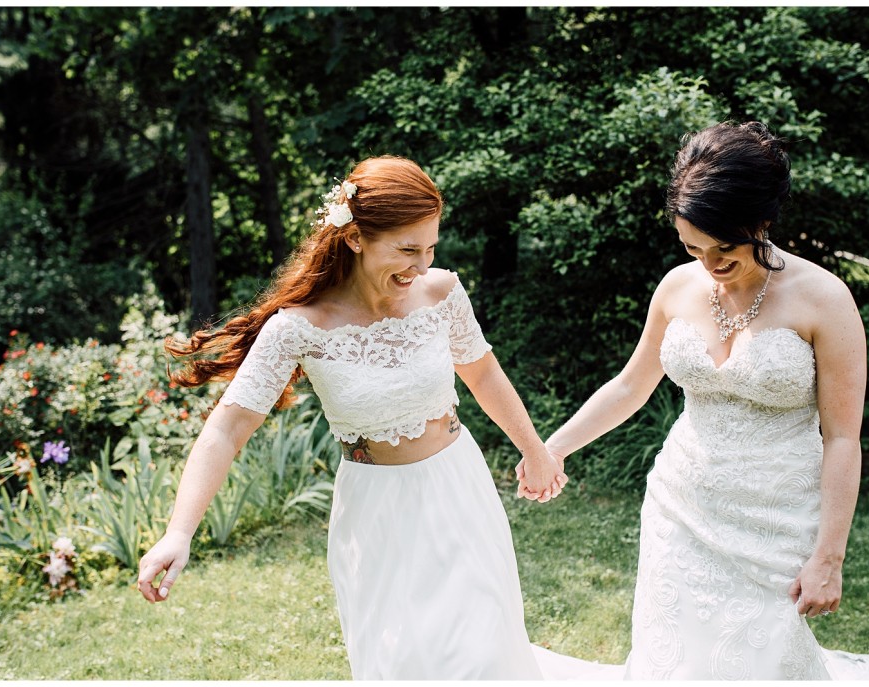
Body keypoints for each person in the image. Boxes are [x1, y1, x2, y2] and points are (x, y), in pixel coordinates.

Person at [135, 156, 616, 680]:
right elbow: (226, 431)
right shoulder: (297, 328)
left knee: (482, 657)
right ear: (355, 238)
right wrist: (178, 533)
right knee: (402, 665)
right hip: (375, 514)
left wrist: (534, 449)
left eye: (430, 248)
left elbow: (483, 374)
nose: (421, 266)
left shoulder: (441, 293)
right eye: (407, 250)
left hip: (457, 490)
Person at [540, 121, 869, 680]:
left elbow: (842, 437)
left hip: (775, 515)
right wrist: (554, 448)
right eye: (692, 246)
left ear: (761, 221)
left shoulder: (824, 300)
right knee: (674, 655)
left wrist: (829, 557)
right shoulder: (677, 287)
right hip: (680, 501)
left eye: (725, 246)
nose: (709, 263)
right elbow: (630, 385)